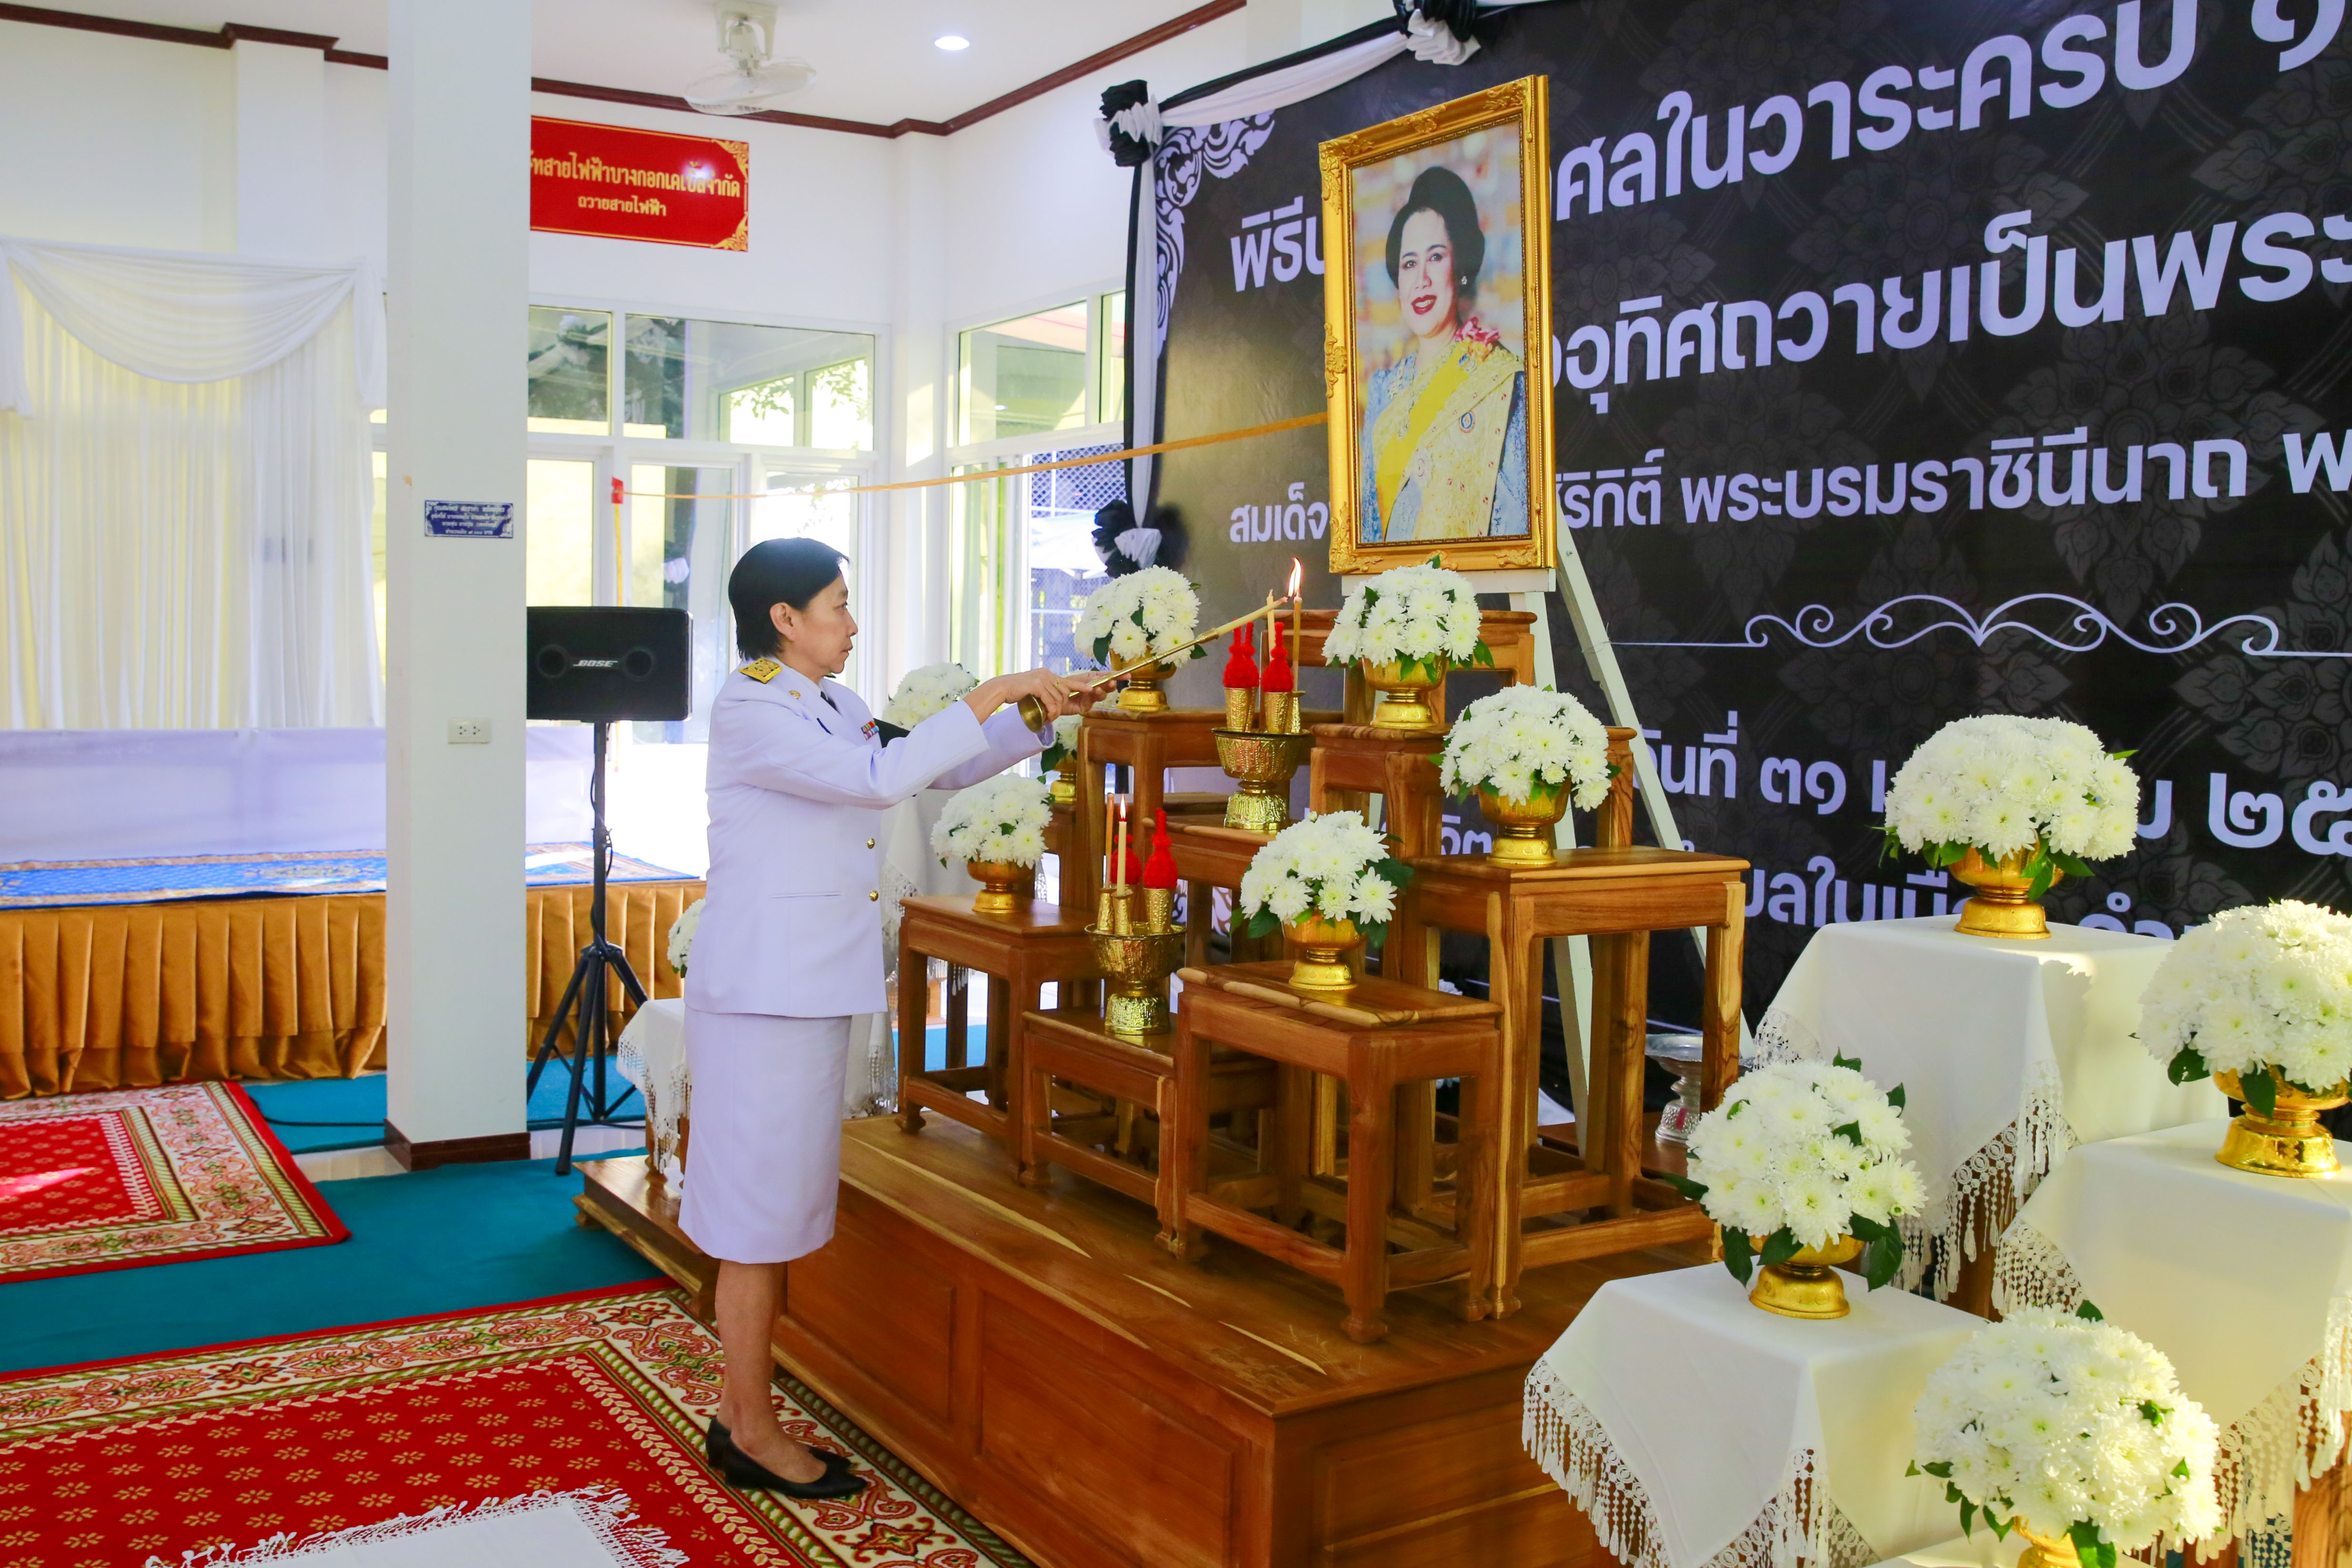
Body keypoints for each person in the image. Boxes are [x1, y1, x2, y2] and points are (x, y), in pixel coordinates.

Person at [682, 536, 1098, 1496]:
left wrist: (1040, 712)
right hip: (763, 997)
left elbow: (920, 769)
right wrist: (992, 688)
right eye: (836, 605)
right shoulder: (750, 707)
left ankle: (739, 1409)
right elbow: (873, 782)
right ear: (784, 620)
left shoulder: (828, 703)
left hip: (803, 986)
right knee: (756, 1221)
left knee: (775, 1213)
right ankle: (746, 1426)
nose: (852, 623)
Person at [1357, 163, 1530, 543]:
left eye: (1435, 257)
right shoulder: (1384, 391)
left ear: (1460, 267)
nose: (1421, 280)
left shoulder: (1499, 380)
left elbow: (1517, 526)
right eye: (1409, 263)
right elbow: (1368, 528)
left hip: (1472, 598)